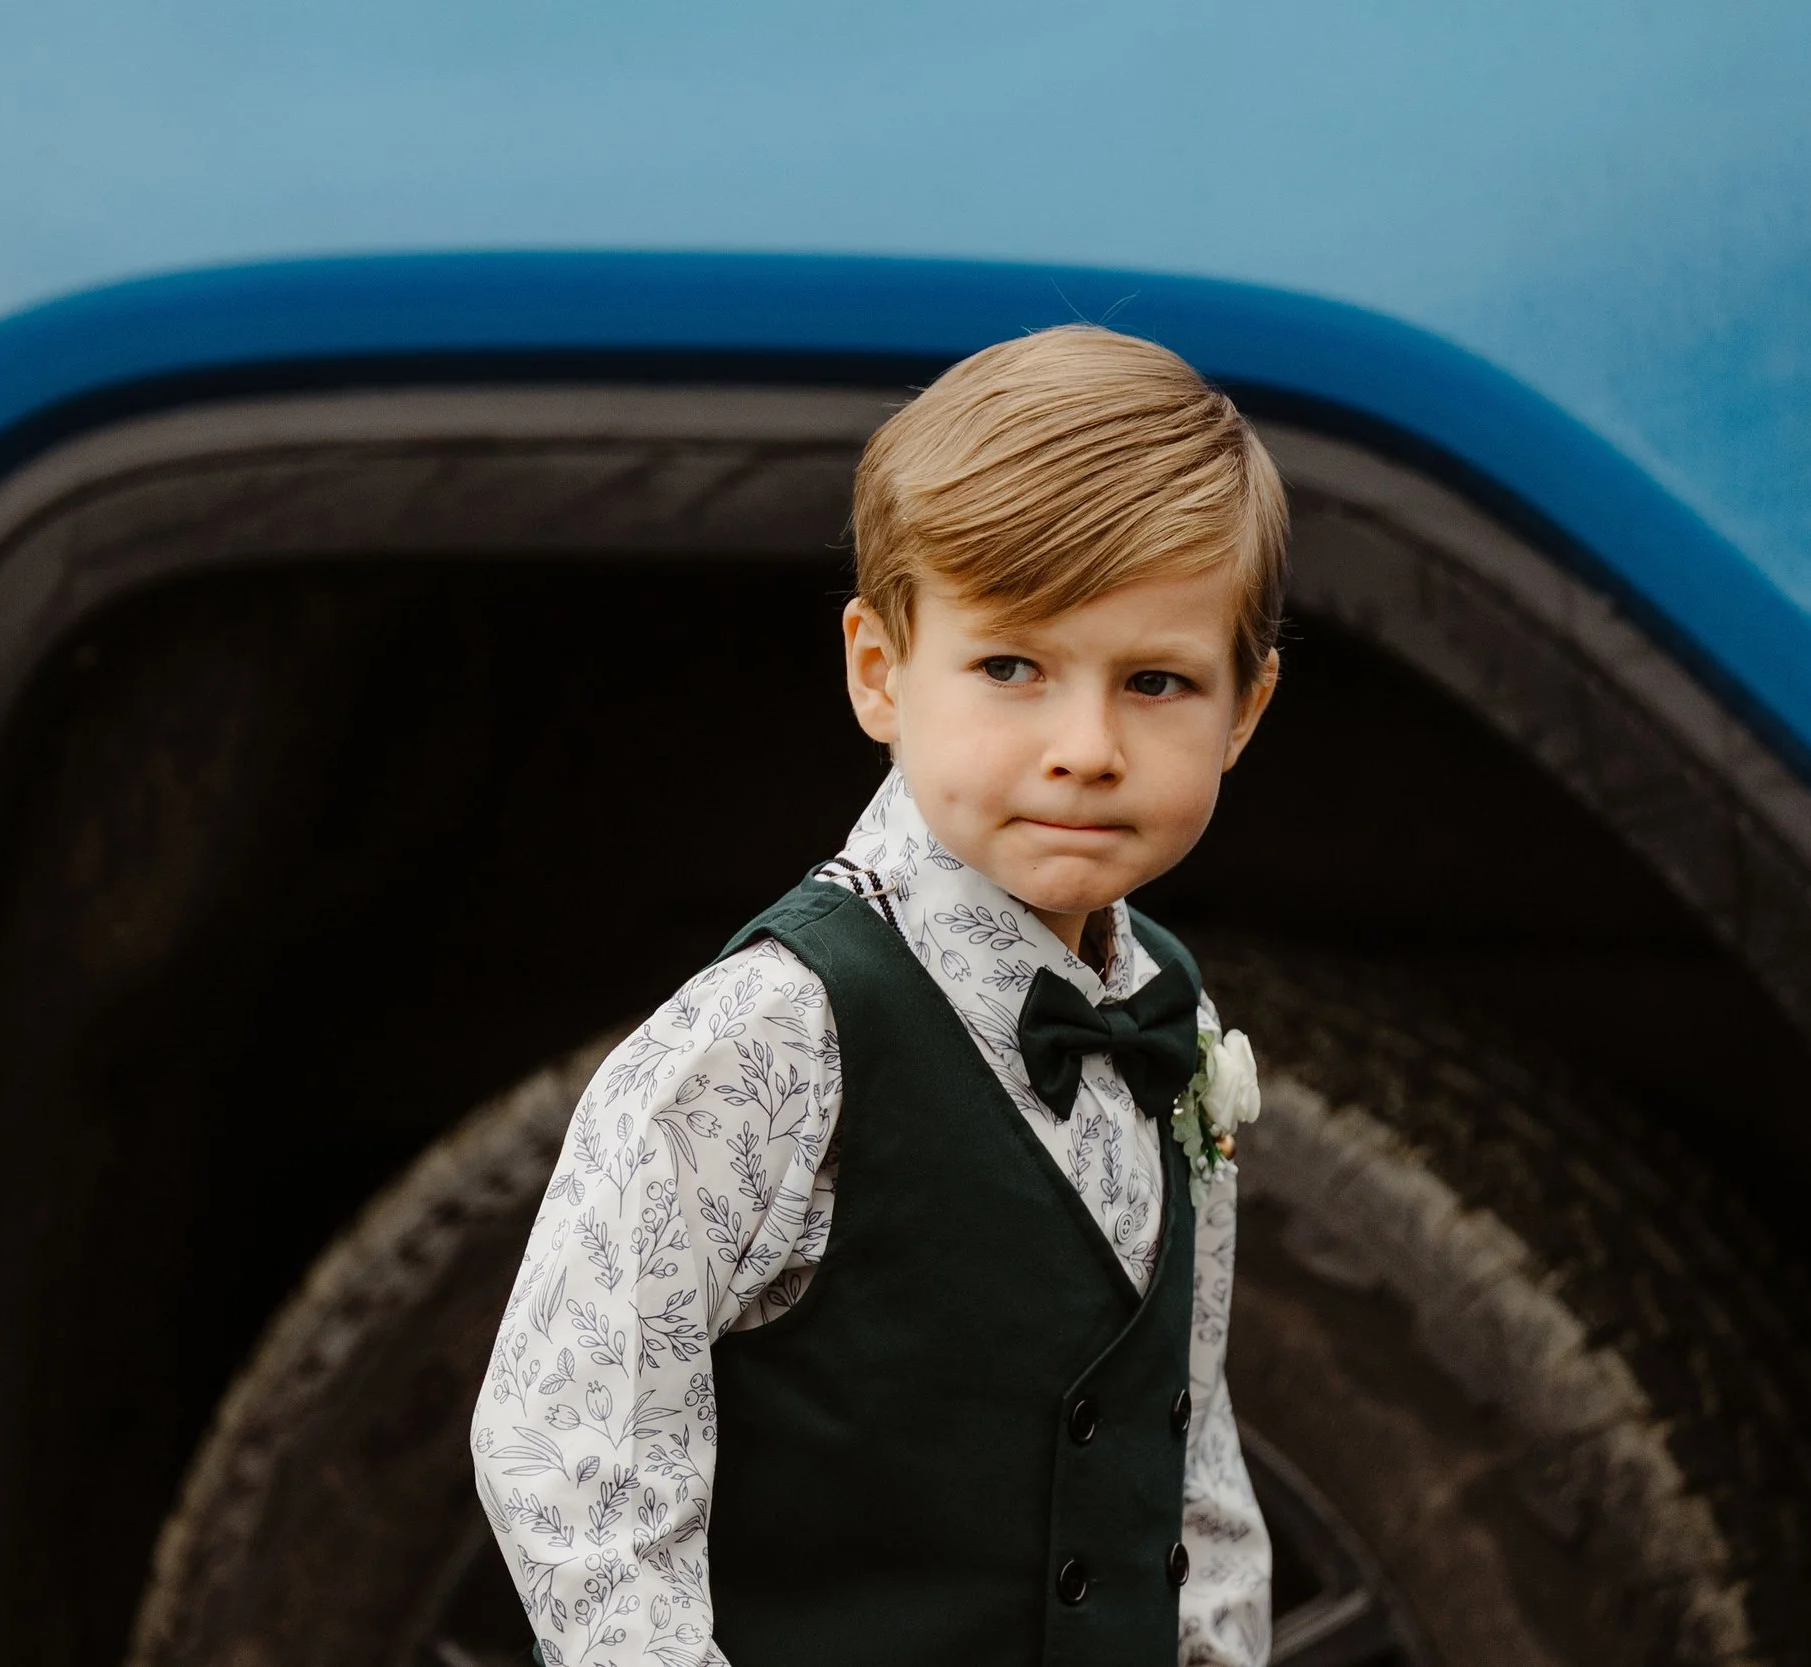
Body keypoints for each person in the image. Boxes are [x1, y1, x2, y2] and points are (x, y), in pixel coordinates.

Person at [471, 324, 1289, 1667]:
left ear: (1244, 709)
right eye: (1012, 667)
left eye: (1157, 682)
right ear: (879, 670)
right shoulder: (776, 1033)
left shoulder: (1172, 1021)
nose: (1087, 748)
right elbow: (572, 1451)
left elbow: (1183, 1435)